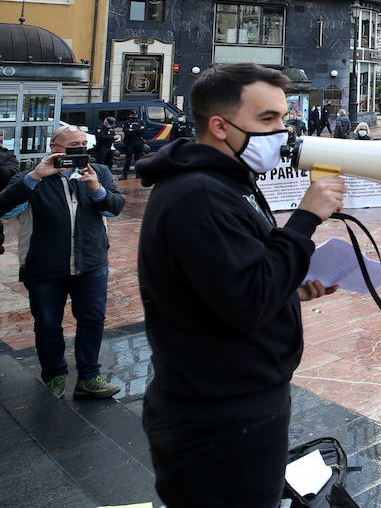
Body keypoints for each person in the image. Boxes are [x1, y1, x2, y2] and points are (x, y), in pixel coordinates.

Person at [136, 64, 346, 506]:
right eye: (268, 120)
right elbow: (247, 300)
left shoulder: (223, 184)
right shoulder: (201, 196)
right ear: (219, 126)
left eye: (283, 119)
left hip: (233, 400)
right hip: (219, 418)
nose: (282, 131)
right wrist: (306, 219)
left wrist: (288, 286)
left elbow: (234, 282)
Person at [0, 125, 124, 399]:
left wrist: (96, 189)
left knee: (92, 319)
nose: (80, 151)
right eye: (73, 147)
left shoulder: (99, 172)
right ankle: (54, 376)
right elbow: (5, 208)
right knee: (47, 323)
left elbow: (115, 207)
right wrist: (34, 177)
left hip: (90, 263)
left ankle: (90, 376)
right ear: (54, 148)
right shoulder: (30, 177)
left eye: (83, 145)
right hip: (44, 266)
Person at [120, 112, 147, 180]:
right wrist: (137, 131)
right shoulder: (126, 123)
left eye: (134, 115)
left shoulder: (140, 122)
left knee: (137, 159)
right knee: (127, 160)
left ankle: (138, 174)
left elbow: (143, 131)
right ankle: (124, 175)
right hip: (129, 143)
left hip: (138, 143)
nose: (133, 116)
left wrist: (133, 130)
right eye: (132, 115)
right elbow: (127, 132)